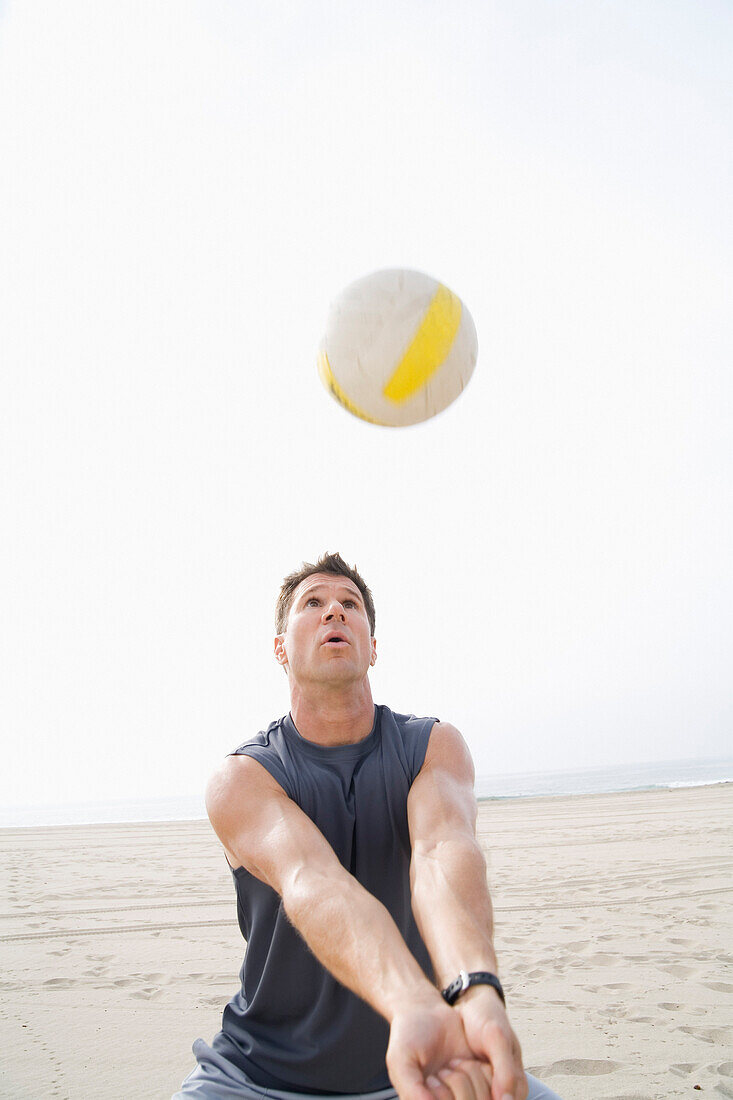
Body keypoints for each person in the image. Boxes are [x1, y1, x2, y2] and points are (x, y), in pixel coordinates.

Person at [174, 553, 561, 1100]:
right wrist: (414, 1002)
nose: (334, 610)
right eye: (313, 603)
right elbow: (314, 879)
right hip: (255, 1078)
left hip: (427, 1065)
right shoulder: (243, 777)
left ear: (373, 645)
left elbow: (441, 855)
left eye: (350, 605)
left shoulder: (431, 746)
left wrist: (475, 990)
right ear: (280, 648)